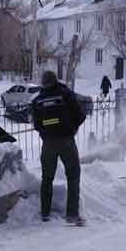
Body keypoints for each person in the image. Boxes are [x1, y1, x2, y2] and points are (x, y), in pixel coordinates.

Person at [31, 70, 87, 225]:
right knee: (73, 176)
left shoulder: (38, 100)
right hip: (66, 141)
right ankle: (72, 215)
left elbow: (37, 124)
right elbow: (80, 115)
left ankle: (45, 213)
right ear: (55, 80)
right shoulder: (65, 94)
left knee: (47, 178)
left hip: (48, 144)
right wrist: (71, 128)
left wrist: (46, 132)